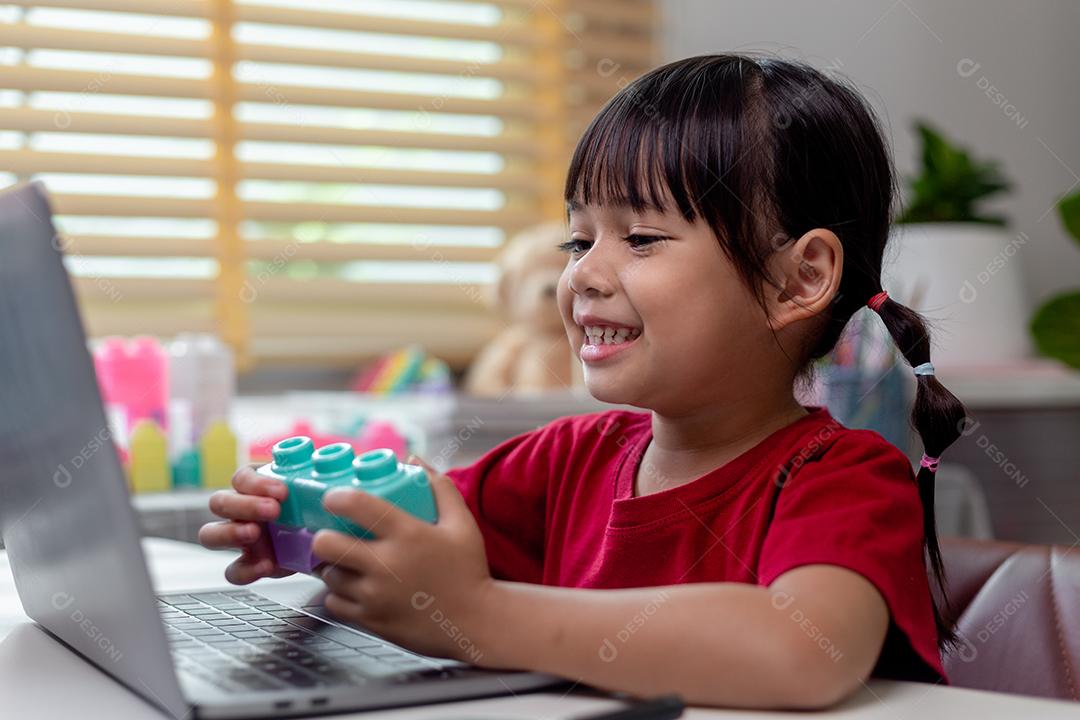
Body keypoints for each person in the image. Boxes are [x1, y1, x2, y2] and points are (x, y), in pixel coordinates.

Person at [199, 54, 967, 709]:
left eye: (640, 238)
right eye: (578, 238)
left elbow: (803, 653)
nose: (583, 275)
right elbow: (422, 534)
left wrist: (480, 613)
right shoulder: (563, 460)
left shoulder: (844, 478)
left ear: (798, 280)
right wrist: (323, 531)